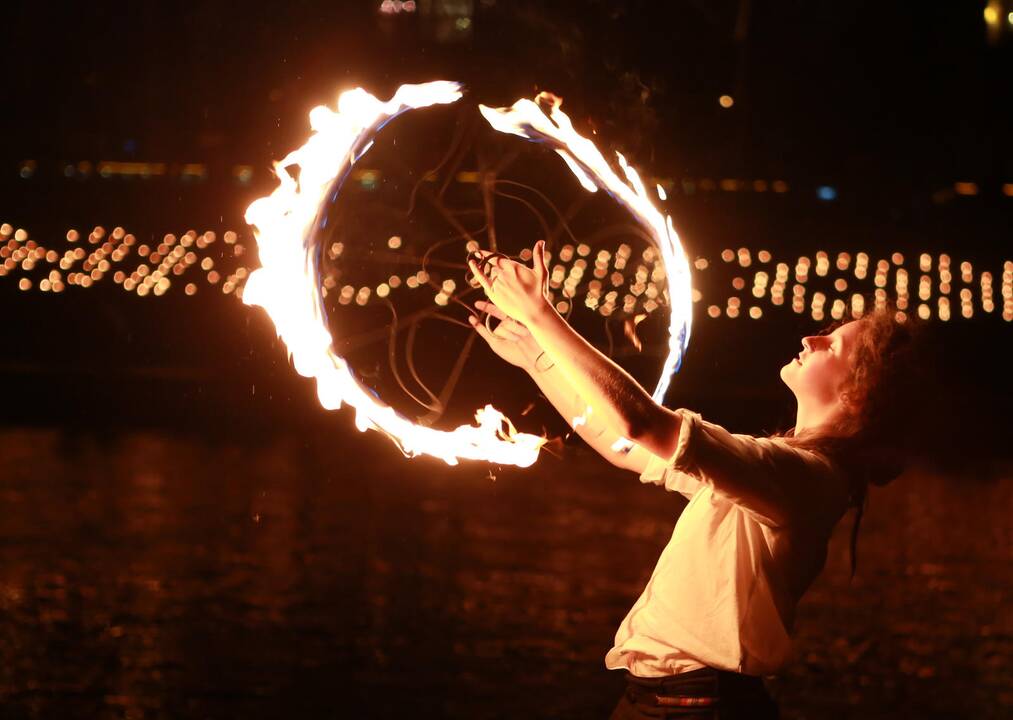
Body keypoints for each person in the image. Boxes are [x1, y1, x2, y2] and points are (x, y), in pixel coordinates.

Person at [467, 241, 921, 719]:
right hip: (664, 703)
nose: (812, 339)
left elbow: (642, 423)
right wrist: (537, 357)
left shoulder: (804, 478)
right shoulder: (773, 472)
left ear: (856, 393)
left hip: (695, 709)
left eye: (835, 345)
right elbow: (624, 446)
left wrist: (542, 316)